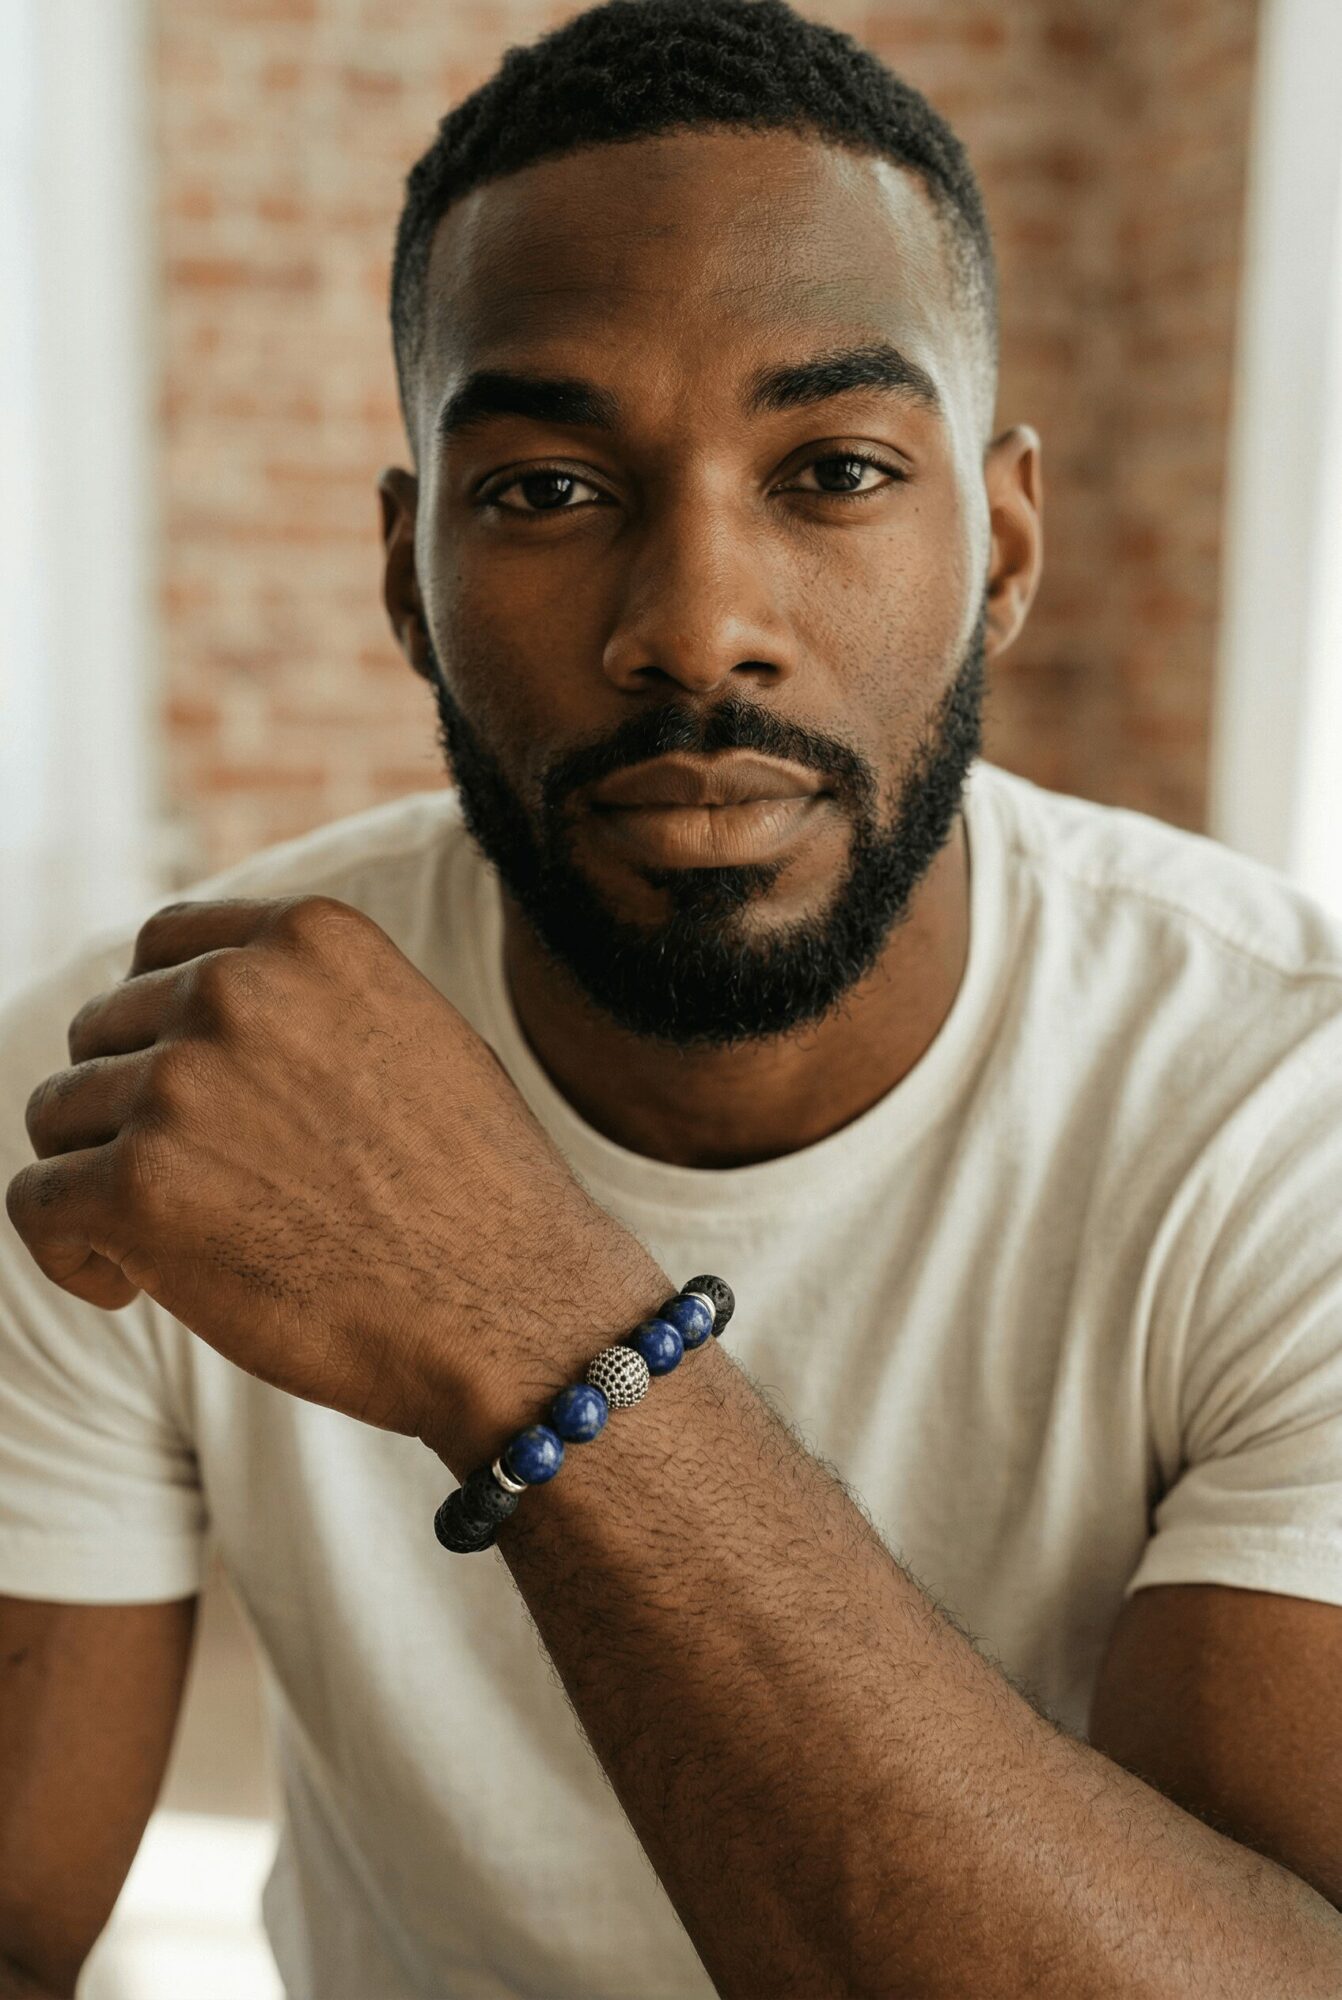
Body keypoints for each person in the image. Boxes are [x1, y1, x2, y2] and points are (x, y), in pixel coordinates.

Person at [3, 0, 1341, 1993]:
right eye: (548, 490)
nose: (698, 626)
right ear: (407, 578)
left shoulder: (1285, 1108)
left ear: (1001, 548)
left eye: (834, 469)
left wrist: (528, 1321)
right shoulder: (147, 1090)